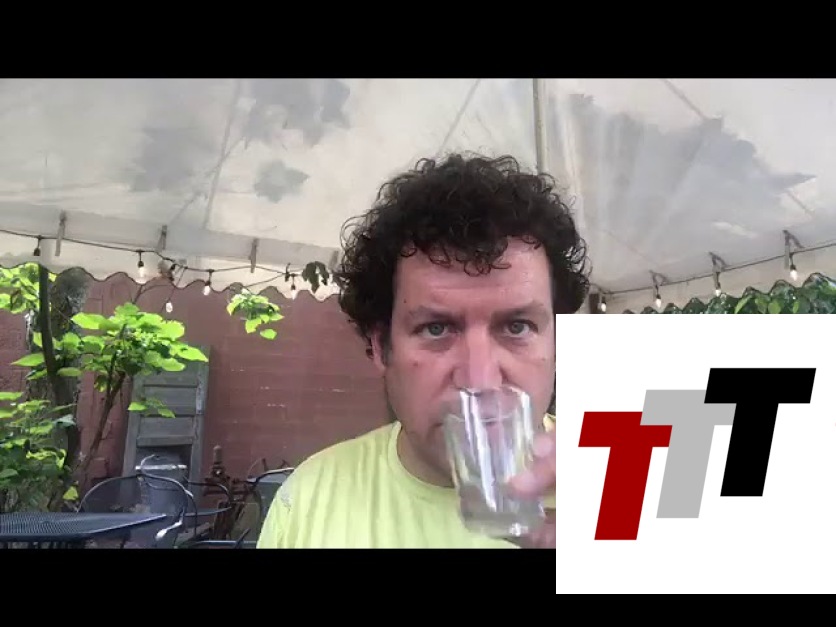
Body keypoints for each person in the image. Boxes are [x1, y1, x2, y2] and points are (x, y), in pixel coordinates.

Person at [257, 152, 589, 549]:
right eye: (436, 329)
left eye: (517, 327)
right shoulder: (307, 504)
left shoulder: (628, 485)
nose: (480, 381)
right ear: (381, 347)